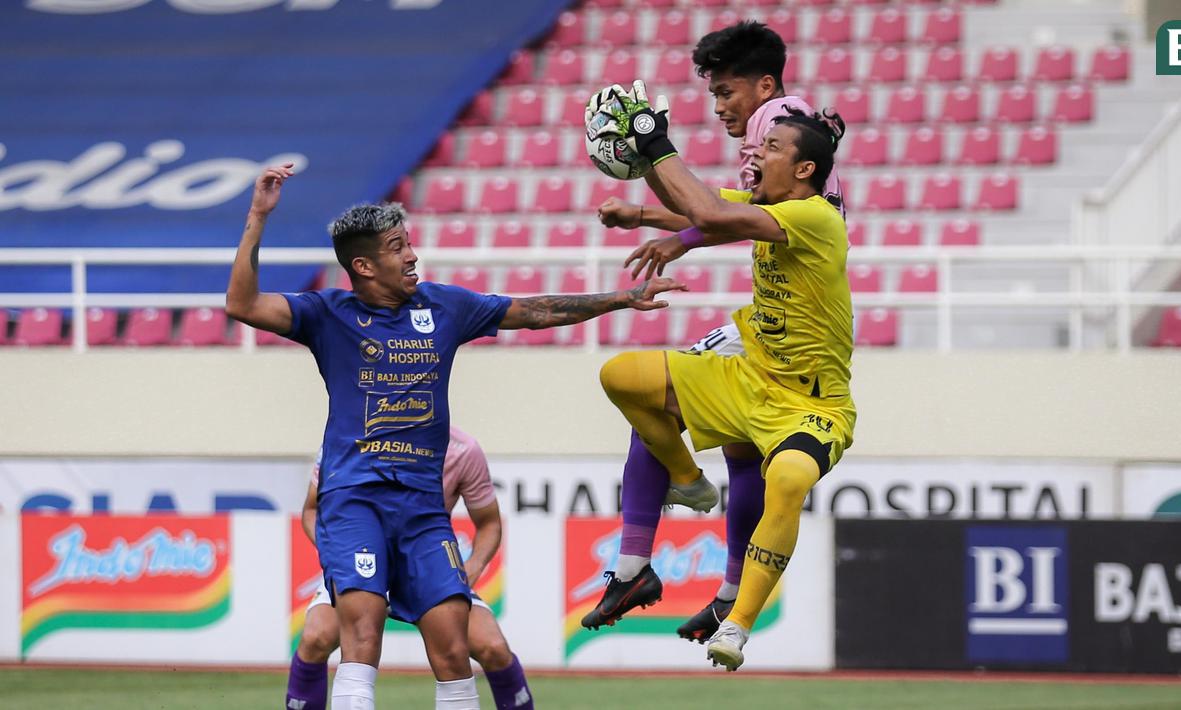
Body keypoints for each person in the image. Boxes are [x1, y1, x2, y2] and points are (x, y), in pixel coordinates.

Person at [226, 164, 684, 709]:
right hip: (355, 500)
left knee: (451, 650)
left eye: (410, 244)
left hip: (423, 508)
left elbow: (533, 311)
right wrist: (257, 216)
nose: (413, 255)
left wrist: (621, 298)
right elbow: (242, 305)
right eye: (398, 248)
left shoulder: (443, 307)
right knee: (360, 640)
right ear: (365, 266)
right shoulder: (328, 314)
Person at [579, 20, 847, 645]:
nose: (722, 107)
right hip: (774, 316)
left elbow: (719, 212)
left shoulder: (776, 122)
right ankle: (724, 590)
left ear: (764, 86)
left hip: (793, 333)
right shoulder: (787, 132)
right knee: (734, 445)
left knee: (660, 404)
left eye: (726, 92)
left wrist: (655, 149)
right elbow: (725, 210)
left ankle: (642, 553)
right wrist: (651, 210)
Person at [286, 427, 533, 710]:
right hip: (363, 560)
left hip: (424, 565)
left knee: (493, 647)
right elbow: (312, 509)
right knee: (315, 638)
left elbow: (489, 521)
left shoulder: (462, 449)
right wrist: (340, 556)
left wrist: (471, 569)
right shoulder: (349, 437)